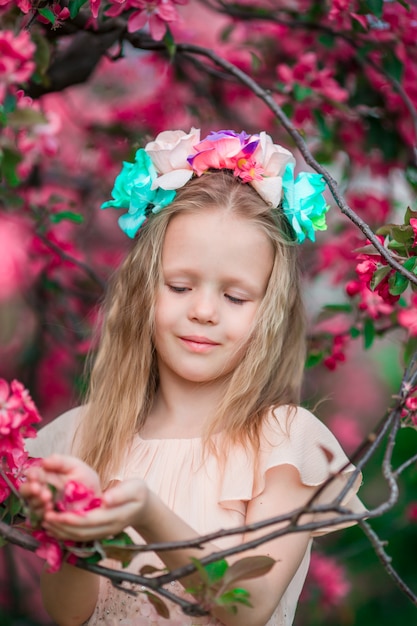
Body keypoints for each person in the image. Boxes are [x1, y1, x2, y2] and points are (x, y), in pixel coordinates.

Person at [22, 129, 364, 626]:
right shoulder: (83, 434)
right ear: (145, 288)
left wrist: (146, 512)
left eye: (235, 297)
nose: (203, 311)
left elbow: (245, 609)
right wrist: (76, 526)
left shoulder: (283, 443)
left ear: (269, 309)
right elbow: (67, 613)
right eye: (180, 286)